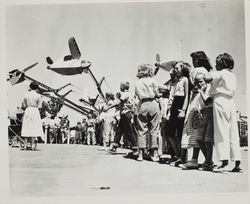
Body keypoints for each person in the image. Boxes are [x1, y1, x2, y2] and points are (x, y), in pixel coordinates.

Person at [205, 53, 242, 173]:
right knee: (233, 132)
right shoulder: (232, 75)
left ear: (223, 63)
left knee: (221, 130)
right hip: (231, 101)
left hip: (220, 100)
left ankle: (224, 162)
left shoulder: (220, 73)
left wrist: (203, 73)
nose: (215, 65)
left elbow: (207, 78)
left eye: (217, 63)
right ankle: (237, 163)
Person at [135, 63, 161, 161]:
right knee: (154, 129)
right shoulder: (153, 80)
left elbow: (137, 94)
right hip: (152, 103)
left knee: (142, 129)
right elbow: (157, 93)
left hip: (142, 104)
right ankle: (154, 153)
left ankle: (140, 154)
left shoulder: (137, 82)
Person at [166, 61, 190, 166]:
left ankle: (183, 157)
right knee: (170, 132)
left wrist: (184, 110)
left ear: (183, 69)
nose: (175, 70)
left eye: (177, 68)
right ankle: (178, 154)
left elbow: (187, 96)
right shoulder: (176, 82)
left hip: (181, 106)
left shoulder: (185, 80)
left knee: (180, 133)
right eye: (174, 68)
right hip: (174, 106)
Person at [105, 82, 138, 154]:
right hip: (125, 114)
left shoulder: (125, 94)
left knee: (129, 132)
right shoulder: (130, 94)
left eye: (120, 86)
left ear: (123, 87)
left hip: (126, 114)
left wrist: (109, 107)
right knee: (119, 131)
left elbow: (119, 102)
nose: (120, 87)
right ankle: (114, 147)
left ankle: (136, 148)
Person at [21, 82, 44, 150]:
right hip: (35, 110)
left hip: (28, 110)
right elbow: (40, 106)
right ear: (37, 88)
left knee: (26, 126)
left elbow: (24, 105)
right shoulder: (38, 95)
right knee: (34, 126)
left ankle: (25, 145)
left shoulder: (26, 95)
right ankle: (33, 146)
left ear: (30, 87)